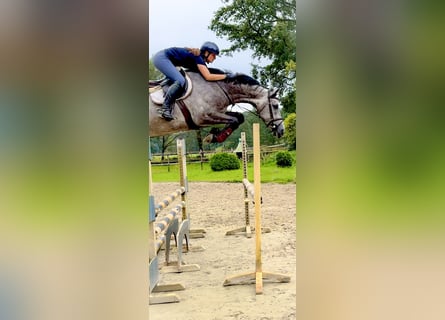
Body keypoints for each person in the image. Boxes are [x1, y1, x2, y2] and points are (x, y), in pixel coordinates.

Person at [153, 41, 233, 121]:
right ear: (206, 53)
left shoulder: (198, 59)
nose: (214, 58)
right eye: (213, 55)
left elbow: (205, 72)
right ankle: (165, 108)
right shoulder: (198, 58)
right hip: (162, 58)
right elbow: (208, 76)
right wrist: (227, 76)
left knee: (180, 78)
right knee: (180, 80)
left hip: (165, 59)